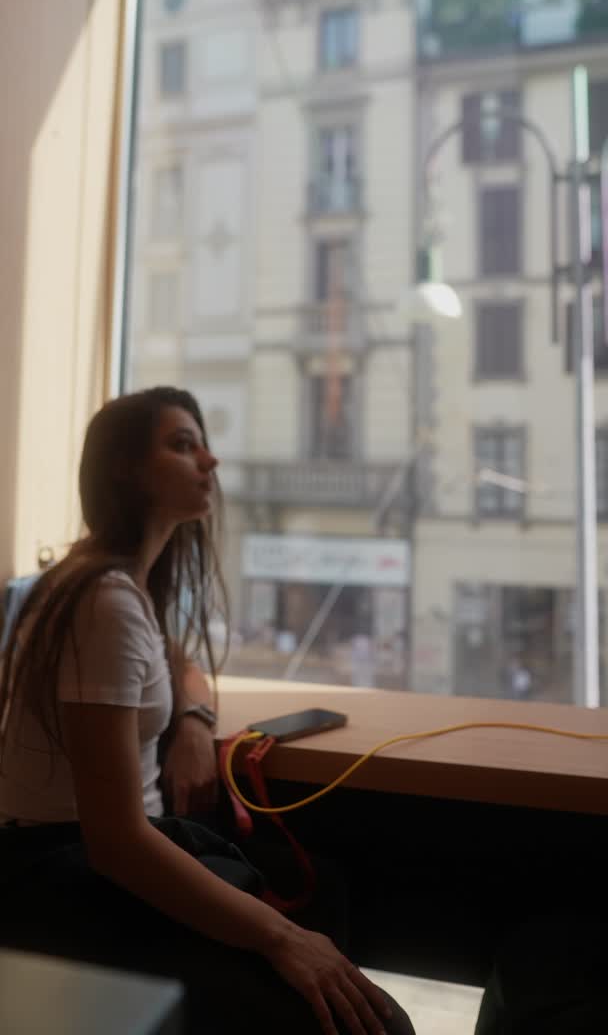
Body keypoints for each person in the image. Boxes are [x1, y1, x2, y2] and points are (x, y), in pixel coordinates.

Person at [0, 387, 414, 1035]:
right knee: (379, 1023)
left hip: (88, 859)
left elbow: (180, 662)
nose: (210, 461)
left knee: (327, 890)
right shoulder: (103, 602)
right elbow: (115, 844)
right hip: (64, 880)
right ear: (126, 468)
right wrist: (282, 940)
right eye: (183, 445)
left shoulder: (108, 583)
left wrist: (192, 723)